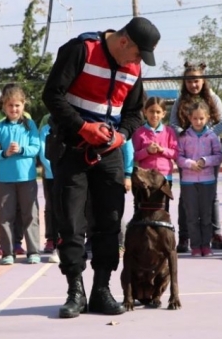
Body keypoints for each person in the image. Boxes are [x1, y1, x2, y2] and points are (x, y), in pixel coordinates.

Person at [42, 16, 158, 318]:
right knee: (70, 222)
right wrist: (83, 128)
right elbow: (51, 95)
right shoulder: (81, 49)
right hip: (71, 148)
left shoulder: (133, 68)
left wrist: (121, 136)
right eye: (137, 53)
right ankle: (75, 291)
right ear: (123, 42)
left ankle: (102, 290)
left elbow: (134, 114)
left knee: (110, 220)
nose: (138, 61)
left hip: (109, 154)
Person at [169, 62, 222, 252]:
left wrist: (206, 132)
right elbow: (173, 124)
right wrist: (187, 133)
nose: (193, 85)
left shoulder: (213, 98)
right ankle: (185, 236)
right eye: (190, 81)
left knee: (212, 196)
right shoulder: (180, 101)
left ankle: (215, 233)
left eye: (197, 81)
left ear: (203, 81)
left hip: (209, 153)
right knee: (186, 198)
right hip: (188, 154)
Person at [0, 85, 41, 265]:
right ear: (4, 106)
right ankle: (8, 252)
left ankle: (33, 251)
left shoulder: (30, 125)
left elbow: (36, 148)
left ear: (23, 105)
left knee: (30, 215)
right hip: (4, 180)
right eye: (10, 105)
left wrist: (21, 149)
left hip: (27, 178)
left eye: (17, 105)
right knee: (5, 217)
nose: (14, 109)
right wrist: (4, 153)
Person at [176, 102, 222, 257]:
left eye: (201, 118)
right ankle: (195, 246)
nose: (198, 121)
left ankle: (206, 245)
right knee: (191, 215)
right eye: (195, 118)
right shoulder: (183, 136)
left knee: (206, 214)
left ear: (207, 118)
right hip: (188, 182)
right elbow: (178, 156)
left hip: (207, 180)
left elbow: (218, 156)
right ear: (190, 118)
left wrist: (204, 161)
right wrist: (190, 164)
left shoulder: (212, 136)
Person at [132, 96, 178, 212]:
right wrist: (147, 151)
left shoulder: (169, 132)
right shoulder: (139, 132)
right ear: (145, 112)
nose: (155, 115)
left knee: (162, 210)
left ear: (164, 114)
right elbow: (134, 155)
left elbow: (176, 153)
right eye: (151, 111)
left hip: (164, 178)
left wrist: (163, 150)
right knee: (142, 209)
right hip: (144, 180)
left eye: (158, 112)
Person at [39, 114, 58, 256]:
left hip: (67, 174)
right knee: (51, 207)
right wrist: (54, 169)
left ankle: (66, 238)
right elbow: (42, 150)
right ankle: (51, 238)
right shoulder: (46, 128)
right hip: (51, 175)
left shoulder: (71, 124)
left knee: (68, 207)